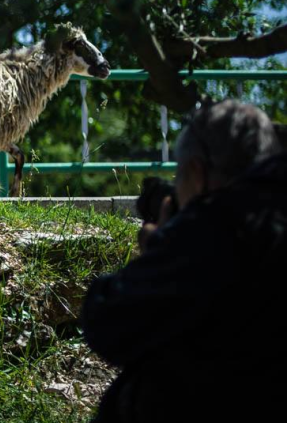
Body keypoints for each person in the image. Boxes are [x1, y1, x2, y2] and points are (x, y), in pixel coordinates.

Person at [81, 100, 285, 422]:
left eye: (178, 174)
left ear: (195, 172)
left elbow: (107, 322)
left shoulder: (219, 227)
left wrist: (161, 246)